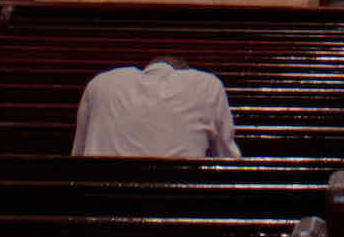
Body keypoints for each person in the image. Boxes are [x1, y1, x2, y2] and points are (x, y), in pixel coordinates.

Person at [71, 55, 242, 159]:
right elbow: (226, 157)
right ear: (183, 72)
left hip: (100, 201)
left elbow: (78, 155)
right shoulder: (206, 84)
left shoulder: (101, 82)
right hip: (178, 207)